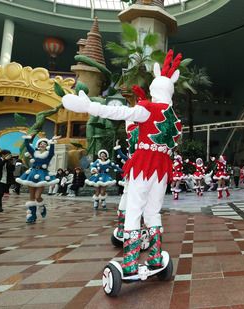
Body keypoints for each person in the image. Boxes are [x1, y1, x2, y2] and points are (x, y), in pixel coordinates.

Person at [63, 49, 183, 276]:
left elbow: (119, 112)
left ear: (154, 88)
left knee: (134, 210)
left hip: (144, 163)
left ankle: (130, 261)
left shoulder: (148, 109)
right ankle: (156, 257)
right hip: (162, 168)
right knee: (153, 212)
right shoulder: (174, 118)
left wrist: (91, 107)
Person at [16, 136, 60, 223]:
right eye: (40, 143)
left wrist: (52, 142)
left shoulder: (48, 154)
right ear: (38, 145)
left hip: (42, 174)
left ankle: (42, 206)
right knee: (31, 197)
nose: (42, 145)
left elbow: (52, 151)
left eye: (44, 144)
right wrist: (26, 138)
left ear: (46, 145)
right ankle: (32, 216)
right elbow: (28, 146)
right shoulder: (34, 153)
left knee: (37, 197)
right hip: (32, 173)